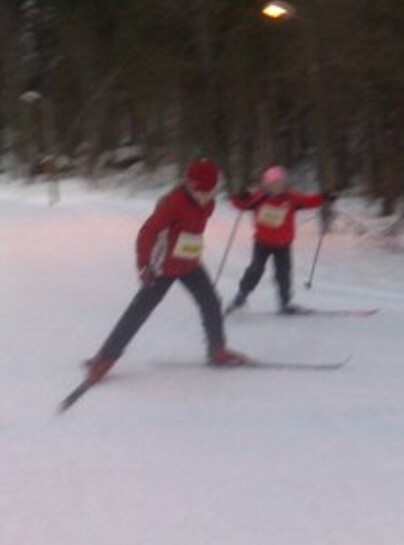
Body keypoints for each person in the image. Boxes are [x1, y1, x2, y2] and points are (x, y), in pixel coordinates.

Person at [85, 159, 247, 384]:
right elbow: (147, 233)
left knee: (211, 302)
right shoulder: (174, 203)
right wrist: (143, 265)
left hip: (189, 263)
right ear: (190, 185)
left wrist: (242, 200)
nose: (206, 196)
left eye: (211, 191)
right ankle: (104, 360)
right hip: (162, 267)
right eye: (202, 191)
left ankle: (217, 350)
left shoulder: (208, 204)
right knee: (138, 312)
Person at [227, 165, 330, 315]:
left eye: (279, 183)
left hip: (283, 244)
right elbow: (240, 204)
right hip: (262, 243)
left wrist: (323, 198)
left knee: (283, 273)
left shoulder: (291, 198)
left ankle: (285, 302)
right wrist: (239, 197)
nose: (276, 187)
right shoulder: (259, 198)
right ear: (266, 184)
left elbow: (308, 201)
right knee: (255, 269)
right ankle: (241, 296)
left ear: (284, 184)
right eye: (272, 184)